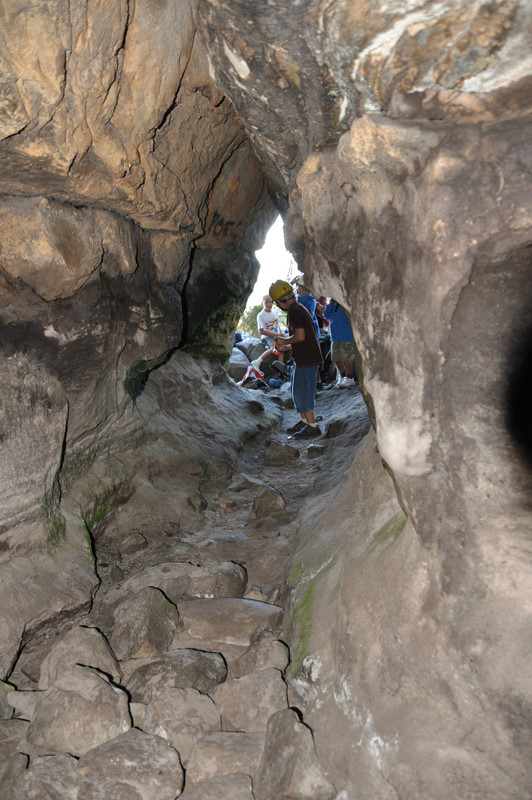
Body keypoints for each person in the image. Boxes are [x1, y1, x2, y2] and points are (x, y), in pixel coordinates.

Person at [269, 279, 323, 439]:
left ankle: (312, 426)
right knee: (297, 390)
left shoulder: (295, 312)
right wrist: (289, 345)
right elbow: (302, 337)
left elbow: (300, 336)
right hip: (304, 357)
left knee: (303, 392)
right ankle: (304, 421)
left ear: (279, 302)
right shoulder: (298, 308)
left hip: (307, 359)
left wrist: (283, 341)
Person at [323, 298, 357, 388]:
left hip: (346, 335)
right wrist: (330, 304)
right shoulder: (334, 304)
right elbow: (326, 315)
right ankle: (343, 376)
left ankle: (350, 378)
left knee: (346, 358)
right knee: (335, 357)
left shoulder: (346, 302)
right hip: (334, 336)